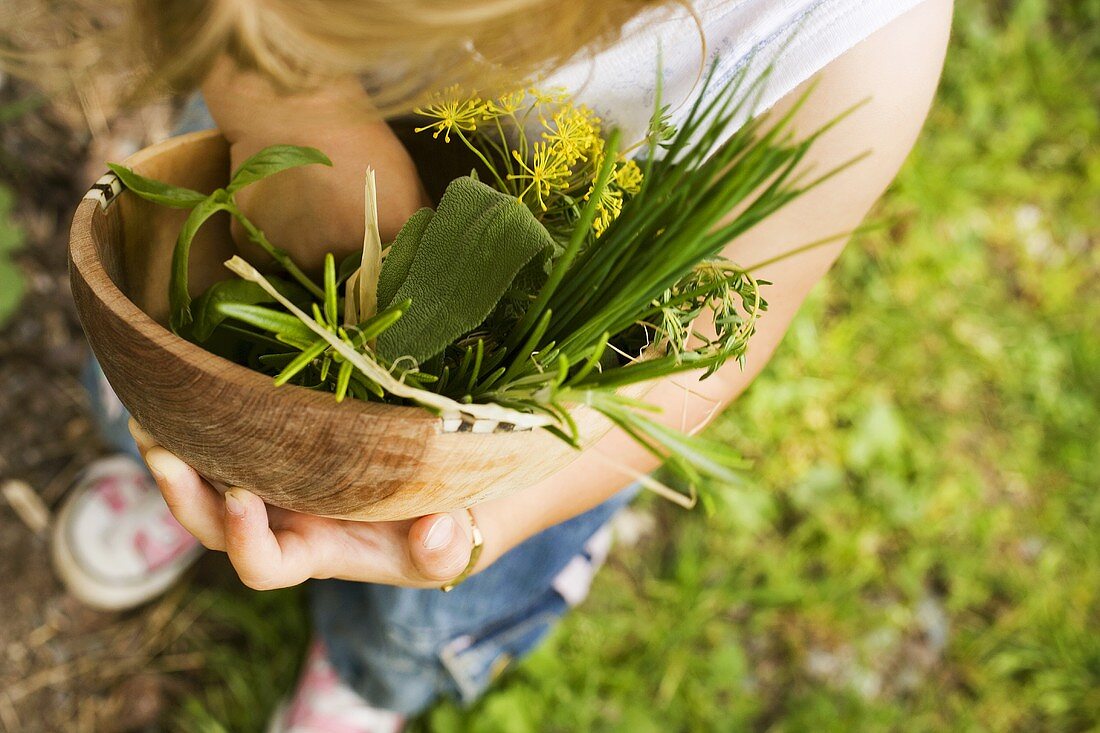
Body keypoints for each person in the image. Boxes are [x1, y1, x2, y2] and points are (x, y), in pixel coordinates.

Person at [45, 0, 952, 729]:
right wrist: (288, 109)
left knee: (429, 600)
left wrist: (486, 521)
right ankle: (161, 468)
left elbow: (710, 348)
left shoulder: (852, 43)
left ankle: (371, 672)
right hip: (290, 130)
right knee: (176, 357)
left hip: (537, 413)